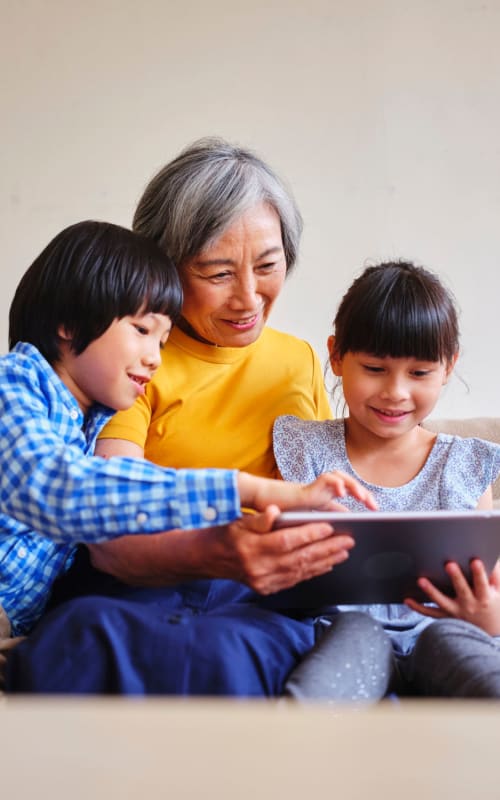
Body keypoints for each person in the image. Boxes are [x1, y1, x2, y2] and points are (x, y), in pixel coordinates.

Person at [6, 139, 376, 696]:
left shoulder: (298, 360)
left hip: (263, 600)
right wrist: (223, 543)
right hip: (143, 588)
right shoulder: (128, 368)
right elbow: (105, 522)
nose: (249, 297)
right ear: (167, 267)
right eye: (217, 272)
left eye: (268, 265)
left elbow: (337, 492)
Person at [273, 260, 500, 701]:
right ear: (336, 357)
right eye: (375, 368)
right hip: (341, 628)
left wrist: (489, 617)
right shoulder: (304, 449)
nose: (396, 391)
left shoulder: (466, 464)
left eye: (419, 374)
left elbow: (490, 582)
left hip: (446, 629)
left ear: (448, 367)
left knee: (459, 651)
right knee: (350, 643)